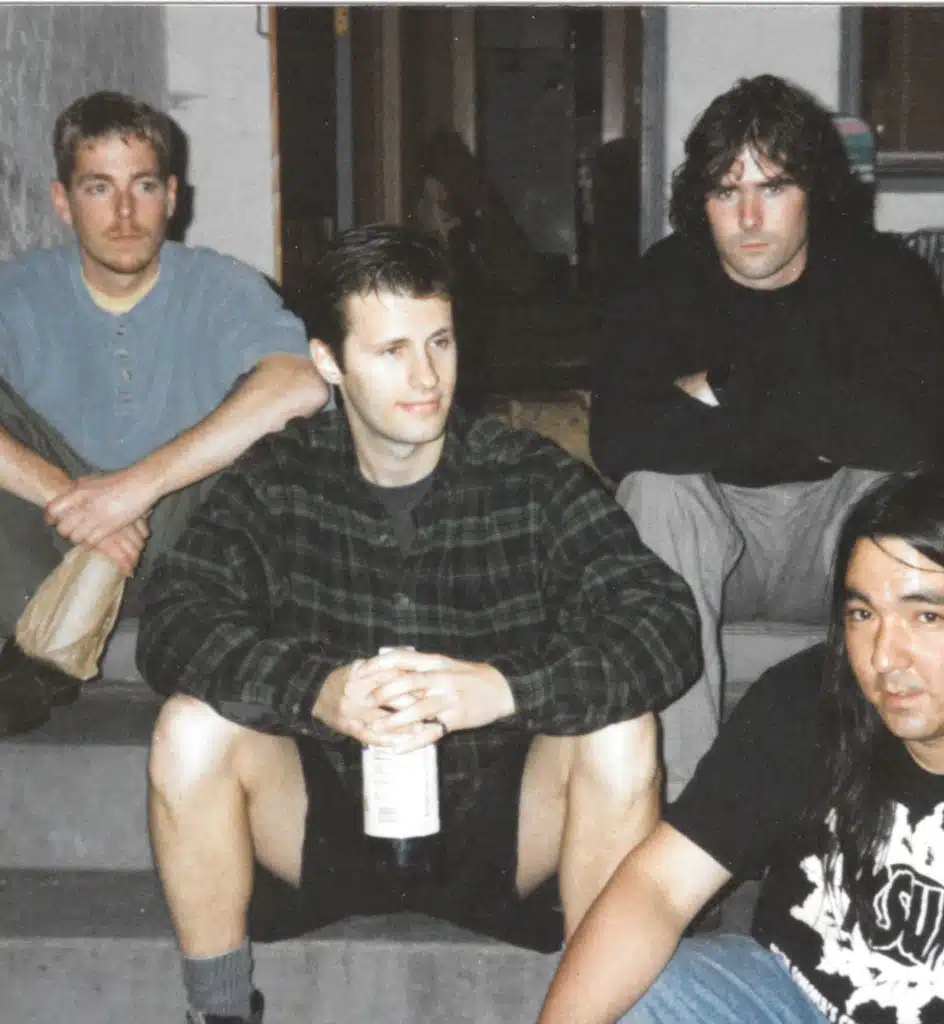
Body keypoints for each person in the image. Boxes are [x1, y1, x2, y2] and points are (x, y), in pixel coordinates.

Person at [137, 224, 701, 1024]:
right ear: (329, 362)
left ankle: (604, 1014)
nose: (427, 376)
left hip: (499, 832)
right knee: (189, 728)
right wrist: (316, 690)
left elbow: (661, 622)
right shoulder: (279, 476)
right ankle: (220, 1014)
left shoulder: (528, 476)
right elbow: (173, 618)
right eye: (392, 351)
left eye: (440, 341)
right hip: (324, 820)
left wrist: (504, 690)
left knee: (622, 731)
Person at [588, 74, 944, 799]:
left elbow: (917, 437)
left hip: (837, 541)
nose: (750, 217)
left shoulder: (883, 275)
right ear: (700, 201)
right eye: (726, 191)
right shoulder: (663, 280)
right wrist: (819, 404)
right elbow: (620, 441)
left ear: (812, 191)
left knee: (899, 490)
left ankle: (896, 785)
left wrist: (721, 386)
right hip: (714, 540)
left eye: (774, 187)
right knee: (656, 491)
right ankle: (684, 797)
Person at [539, 469, 944, 1024]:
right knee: (624, 985)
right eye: (863, 614)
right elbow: (660, 886)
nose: (884, 656)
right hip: (785, 999)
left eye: (927, 616)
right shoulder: (805, 698)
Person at [0, 91, 329, 736]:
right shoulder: (19, 290)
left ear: (172, 196)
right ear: (63, 201)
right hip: (48, 542)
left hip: (184, 543)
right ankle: (40, 652)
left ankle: (46, 659)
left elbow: (302, 386)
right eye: (99, 188)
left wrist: (133, 490)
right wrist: (76, 500)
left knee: (272, 418)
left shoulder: (221, 284)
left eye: (144, 186)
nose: (124, 213)